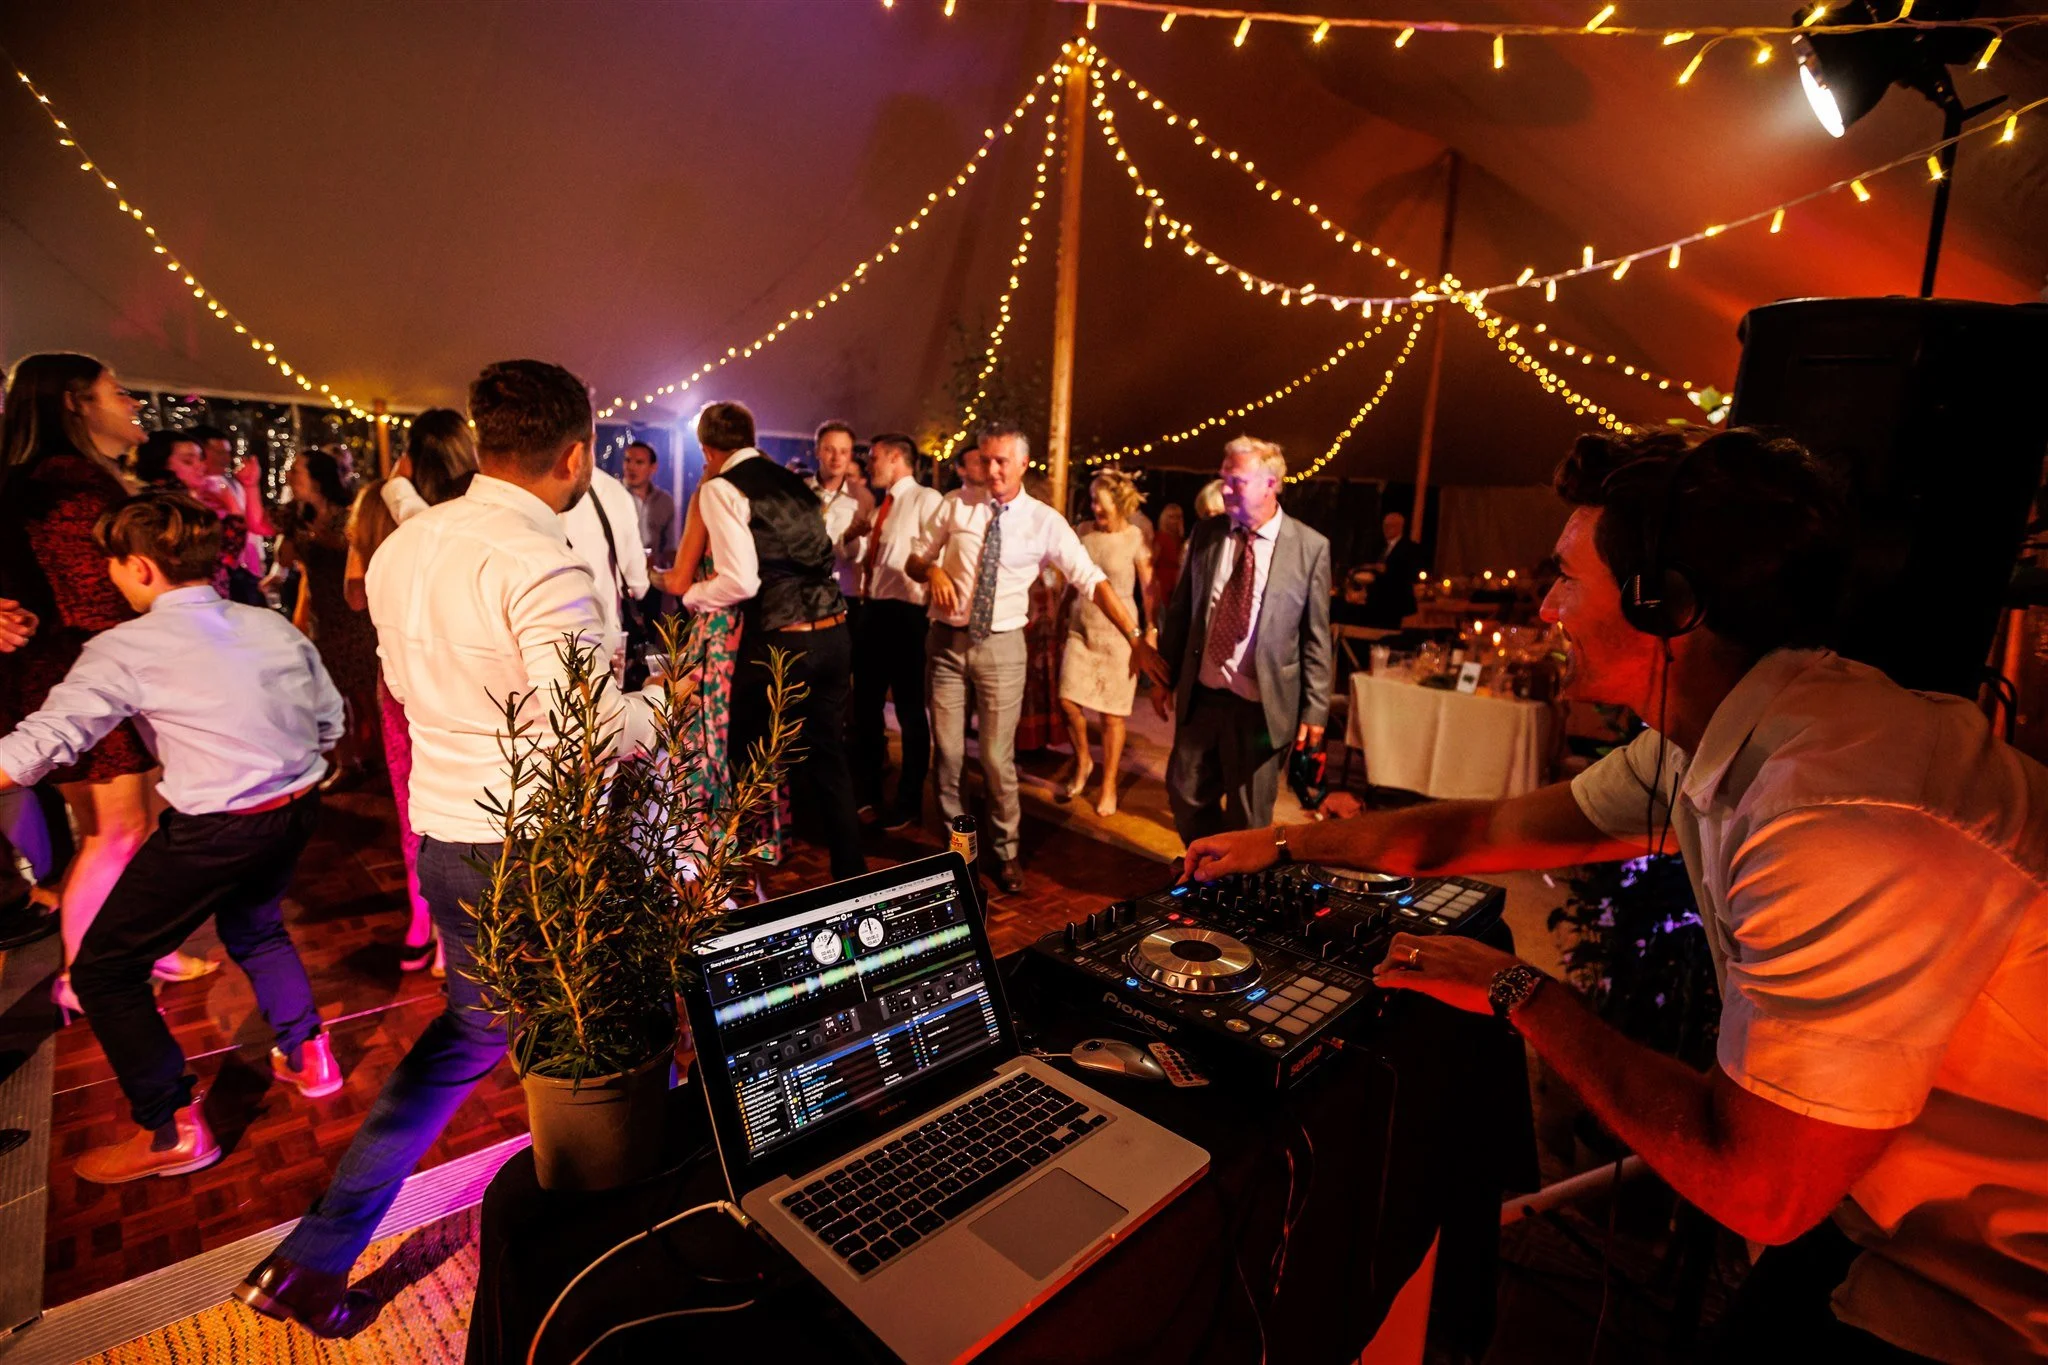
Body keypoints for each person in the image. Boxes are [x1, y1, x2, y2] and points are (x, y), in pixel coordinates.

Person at [1184, 425, 2048, 1365]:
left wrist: (1517, 989)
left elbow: (1758, 1187)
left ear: (1665, 603)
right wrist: (1280, 844)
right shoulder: (1720, 729)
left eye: (1566, 577)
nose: (1547, 606)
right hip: (1893, 1223)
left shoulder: (1834, 815)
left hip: (1997, 1296)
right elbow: (1483, 830)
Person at [240, 359, 678, 1333]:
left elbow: (402, 689)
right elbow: (587, 731)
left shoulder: (407, 546)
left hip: (445, 835)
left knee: (474, 1035)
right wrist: (665, 702)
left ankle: (313, 1258)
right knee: (624, 1036)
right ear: (578, 455)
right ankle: (627, 1259)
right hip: (538, 851)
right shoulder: (542, 561)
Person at [0, 493, 345, 1181]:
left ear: (140, 566)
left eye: (112, 564)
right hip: (295, 809)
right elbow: (330, 720)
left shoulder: (124, 646)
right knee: (256, 926)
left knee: (103, 970)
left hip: (218, 829)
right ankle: (309, 1055)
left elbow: (46, 741)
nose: (111, 577)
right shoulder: (267, 624)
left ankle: (170, 1130)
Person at [0, 353, 214, 1016]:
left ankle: (140, 948)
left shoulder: (73, 479)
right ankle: (82, 975)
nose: (132, 403)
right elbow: (97, 597)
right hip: (88, 676)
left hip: (94, 671)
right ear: (74, 402)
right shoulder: (66, 487)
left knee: (134, 825)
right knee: (112, 831)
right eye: (117, 391)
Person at [909, 423, 1168, 893]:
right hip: (946, 643)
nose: (992, 469)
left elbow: (1091, 579)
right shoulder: (954, 505)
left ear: (1023, 464)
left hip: (1002, 647)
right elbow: (914, 560)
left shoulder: (1044, 521)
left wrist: (1136, 636)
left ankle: (1006, 850)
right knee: (947, 752)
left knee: (995, 757)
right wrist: (932, 570)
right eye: (985, 459)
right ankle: (959, 851)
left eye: (1001, 461)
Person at [673, 401, 864, 880]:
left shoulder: (721, 488)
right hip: (835, 633)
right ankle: (851, 874)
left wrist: (692, 595)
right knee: (829, 756)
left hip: (785, 643)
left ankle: (733, 877)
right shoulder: (793, 483)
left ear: (707, 450)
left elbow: (740, 582)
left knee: (742, 751)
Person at [345, 409, 477, 975]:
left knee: (412, 802)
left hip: (400, 673)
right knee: (467, 799)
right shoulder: (480, 512)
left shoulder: (380, 504)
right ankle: (460, 934)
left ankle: (422, 925)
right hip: (465, 674)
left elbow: (354, 594)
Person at [1156, 436, 1332, 843]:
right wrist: (1164, 676)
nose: (1226, 490)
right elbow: (1182, 612)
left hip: (1261, 708)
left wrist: (1315, 710)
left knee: (1249, 818)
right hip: (1204, 698)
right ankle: (1210, 863)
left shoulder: (1309, 548)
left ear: (1271, 484)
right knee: (1185, 793)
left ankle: (1233, 877)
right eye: (1224, 480)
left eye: (1237, 481)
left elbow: (1316, 637)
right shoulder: (1207, 534)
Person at [849, 433, 941, 831]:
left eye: (874, 458)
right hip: (873, 610)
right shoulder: (880, 507)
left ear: (896, 457)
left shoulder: (925, 499)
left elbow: (934, 554)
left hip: (907, 615)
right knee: (866, 708)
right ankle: (868, 794)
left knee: (909, 709)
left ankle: (908, 802)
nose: (870, 465)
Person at [277, 449, 379, 789]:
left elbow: (350, 551)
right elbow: (286, 560)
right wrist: (291, 528)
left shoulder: (347, 515)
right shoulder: (297, 518)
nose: (291, 477)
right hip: (323, 617)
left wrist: (312, 532)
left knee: (369, 691)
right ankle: (347, 763)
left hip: (354, 615)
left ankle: (382, 758)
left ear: (318, 479)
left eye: (297, 471)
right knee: (334, 695)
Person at [1059, 471, 1153, 817]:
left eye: (1100, 501)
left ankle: (1109, 784)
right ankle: (1084, 760)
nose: (1095, 507)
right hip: (1081, 627)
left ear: (1119, 502)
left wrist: (1152, 629)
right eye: (1092, 501)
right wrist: (1059, 614)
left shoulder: (1135, 537)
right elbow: (1072, 578)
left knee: (1112, 715)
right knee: (1067, 700)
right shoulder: (1083, 532)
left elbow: (1150, 589)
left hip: (1119, 633)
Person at [188, 423, 275, 603]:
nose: (227, 459)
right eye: (220, 453)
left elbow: (257, 526)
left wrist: (251, 485)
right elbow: (239, 526)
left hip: (246, 570)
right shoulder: (200, 491)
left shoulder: (231, 483)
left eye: (228, 453)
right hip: (224, 573)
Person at [621, 439, 678, 618]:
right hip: (621, 576)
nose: (631, 467)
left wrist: (658, 561)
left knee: (652, 626)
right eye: (627, 460)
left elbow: (671, 547)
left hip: (653, 578)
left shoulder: (665, 501)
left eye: (639, 462)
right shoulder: (613, 496)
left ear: (653, 468)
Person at [1358, 509, 1426, 628]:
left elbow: (1410, 572)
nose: (1386, 529)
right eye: (1385, 526)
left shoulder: (1410, 548)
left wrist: (1388, 569)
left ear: (1400, 527)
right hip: (1376, 600)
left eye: (1390, 526)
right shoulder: (1379, 546)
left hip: (1395, 601)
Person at [1149, 502, 1186, 629]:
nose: (1175, 520)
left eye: (1178, 517)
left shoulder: (1180, 539)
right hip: (1162, 585)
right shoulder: (1161, 537)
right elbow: (1151, 563)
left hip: (1176, 585)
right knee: (1163, 624)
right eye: (1171, 517)